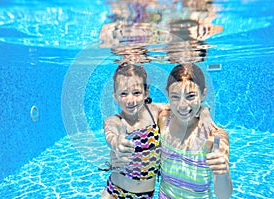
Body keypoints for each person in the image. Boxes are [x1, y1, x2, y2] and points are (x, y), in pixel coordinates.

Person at [158, 63, 233, 199]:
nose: (182, 105)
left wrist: (222, 172)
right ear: (167, 94)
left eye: (190, 96)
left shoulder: (214, 136)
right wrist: (203, 110)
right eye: (175, 96)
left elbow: (224, 195)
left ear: (203, 94)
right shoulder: (163, 120)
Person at [100, 62, 167, 199]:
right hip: (114, 192)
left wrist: (204, 114)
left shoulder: (155, 112)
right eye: (123, 94)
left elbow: (184, 107)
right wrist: (116, 144)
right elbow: (110, 133)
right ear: (115, 95)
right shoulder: (114, 121)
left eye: (136, 93)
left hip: (144, 195)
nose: (130, 100)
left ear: (146, 92)